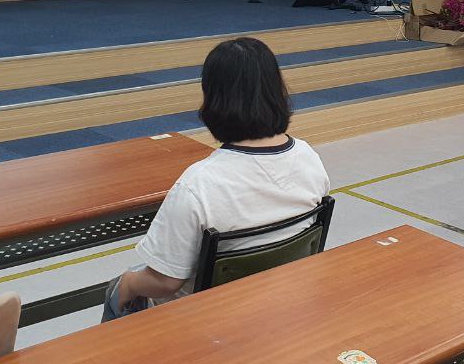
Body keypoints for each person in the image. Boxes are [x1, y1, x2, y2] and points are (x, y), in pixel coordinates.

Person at [102, 37, 330, 320]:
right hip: (279, 301)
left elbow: (165, 281)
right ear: (276, 91)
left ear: (213, 99)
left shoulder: (198, 184)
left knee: (119, 288)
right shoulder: (309, 157)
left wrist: (128, 282)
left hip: (206, 319)